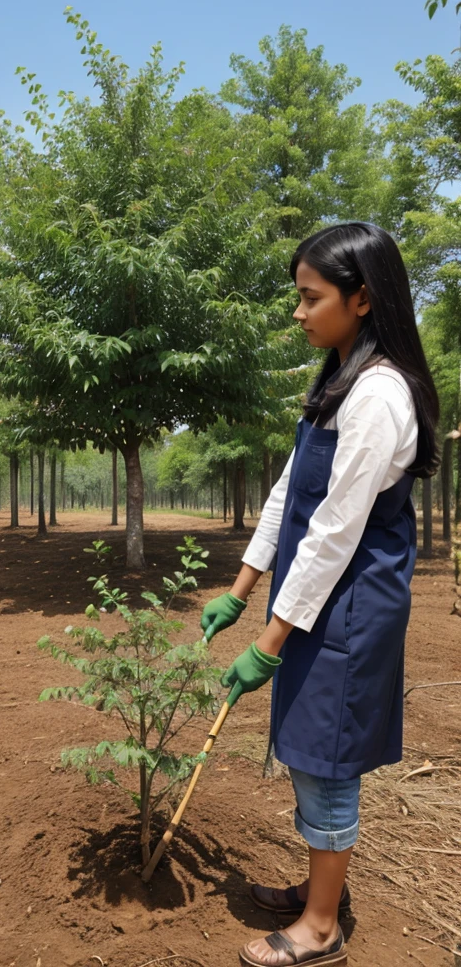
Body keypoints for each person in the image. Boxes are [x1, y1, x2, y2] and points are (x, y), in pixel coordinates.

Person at [200, 222, 439, 967]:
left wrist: (268, 642)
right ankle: (318, 892)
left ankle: (322, 927)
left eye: (311, 298)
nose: (298, 313)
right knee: (308, 746)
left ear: (362, 298)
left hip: (351, 603)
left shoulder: (380, 396)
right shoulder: (337, 381)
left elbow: (335, 530)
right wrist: (240, 590)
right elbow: (289, 493)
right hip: (320, 597)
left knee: (324, 753)